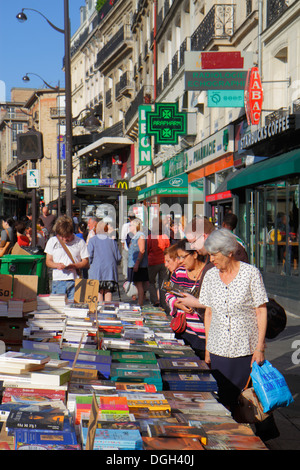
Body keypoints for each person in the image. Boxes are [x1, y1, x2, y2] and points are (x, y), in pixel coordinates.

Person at [198, 228, 268, 413]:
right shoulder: (211, 276)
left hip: (245, 348)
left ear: (229, 252)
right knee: (223, 400)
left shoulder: (250, 273)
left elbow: (261, 311)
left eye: (215, 255)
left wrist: (260, 347)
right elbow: (209, 313)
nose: (211, 260)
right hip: (218, 349)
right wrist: (207, 348)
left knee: (246, 401)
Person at [165, 239, 209, 359]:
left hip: (204, 335)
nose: (180, 261)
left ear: (194, 254)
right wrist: (177, 304)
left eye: (183, 257)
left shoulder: (209, 273)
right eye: (179, 258)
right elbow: (168, 294)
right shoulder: (179, 273)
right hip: (183, 330)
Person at [44, 215, 89, 302]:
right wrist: (57, 265)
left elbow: (85, 262)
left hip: (74, 280)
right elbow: (48, 261)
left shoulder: (80, 242)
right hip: (58, 280)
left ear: (72, 232)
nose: (64, 239)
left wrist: (75, 266)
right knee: (58, 307)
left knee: (74, 307)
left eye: (67, 236)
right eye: (62, 237)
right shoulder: (52, 241)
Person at [88, 220, 121, 302]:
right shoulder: (112, 241)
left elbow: (89, 256)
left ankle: (100, 309)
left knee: (99, 291)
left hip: (96, 271)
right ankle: (107, 309)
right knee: (108, 291)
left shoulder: (92, 240)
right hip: (110, 271)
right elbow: (118, 257)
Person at [147, 217, 170, 307]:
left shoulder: (150, 237)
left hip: (152, 262)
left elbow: (147, 250)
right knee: (163, 283)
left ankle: (154, 300)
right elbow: (168, 249)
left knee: (151, 282)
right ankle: (164, 302)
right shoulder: (165, 237)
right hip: (163, 262)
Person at [127, 217, 148, 306]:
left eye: (131, 225)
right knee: (137, 283)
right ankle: (139, 302)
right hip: (134, 264)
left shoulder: (140, 236)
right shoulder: (134, 236)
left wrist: (137, 263)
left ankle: (140, 303)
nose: (129, 227)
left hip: (139, 265)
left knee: (139, 284)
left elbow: (142, 250)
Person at [120, 211, 135, 278]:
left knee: (126, 261)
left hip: (126, 247)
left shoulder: (125, 226)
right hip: (134, 247)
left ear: (129, 218)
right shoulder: (137, 225)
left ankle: (126, 276)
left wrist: (123, 246)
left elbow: (123, 238)